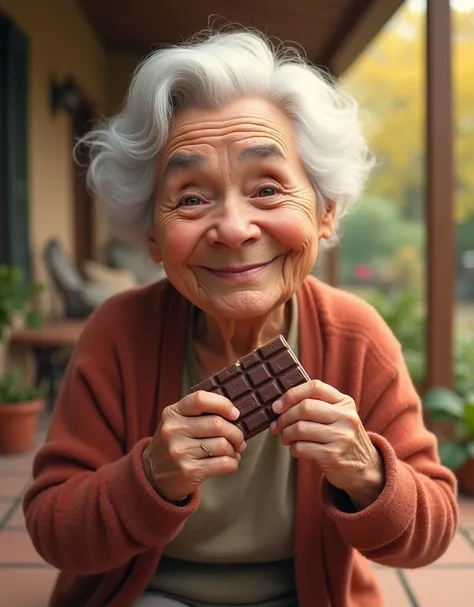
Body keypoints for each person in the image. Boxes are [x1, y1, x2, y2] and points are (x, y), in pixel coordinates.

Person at [23, 30, 458, 607]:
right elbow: (54, 529)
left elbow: (430, 532)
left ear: (325, 212)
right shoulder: (117, 334)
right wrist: (150, 477)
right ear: (153, 235)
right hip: (147, 593)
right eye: (192, 197)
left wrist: (366, 471)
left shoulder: (357, 337)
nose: (232, 228)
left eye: (268, 188)